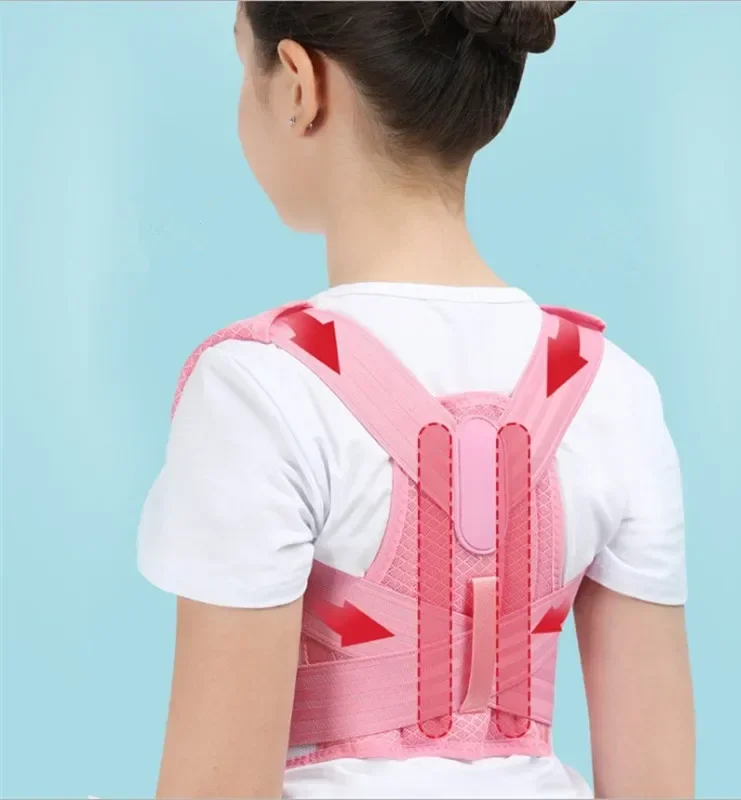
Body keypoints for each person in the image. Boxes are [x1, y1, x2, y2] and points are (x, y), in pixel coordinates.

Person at [137, 2, 695, 798]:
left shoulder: (256, 392)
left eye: (242, 64)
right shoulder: (614, 389)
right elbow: (656, 785)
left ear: (298, 83)